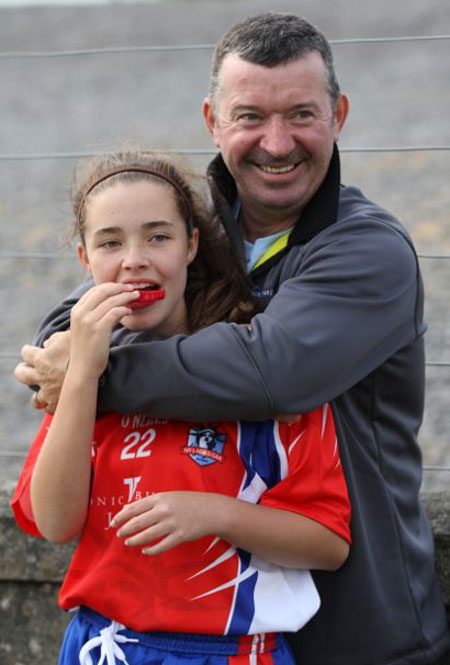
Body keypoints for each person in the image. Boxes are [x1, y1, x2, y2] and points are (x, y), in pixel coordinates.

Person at [14, 12, 450, 665]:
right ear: (212, 121)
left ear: (340, 114)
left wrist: (88, 371)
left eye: (301, 114)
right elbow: (83, 307)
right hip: (181, 632)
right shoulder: (183, 232)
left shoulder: (369, 251)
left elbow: (269, 373)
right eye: (250, 117)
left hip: (354, 629)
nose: (276, 142)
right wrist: (66, 343)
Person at [11, 151, 351, 665]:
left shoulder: (257, 376)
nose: (134, 259)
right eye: (110, 242)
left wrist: (216, 513)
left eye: (158, 236)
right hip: (101, 645)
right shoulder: (84, 376)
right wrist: (80, 374)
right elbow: (56, 524)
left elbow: (329, 543)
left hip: (228, 651)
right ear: (85, 261)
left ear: (192, 245)